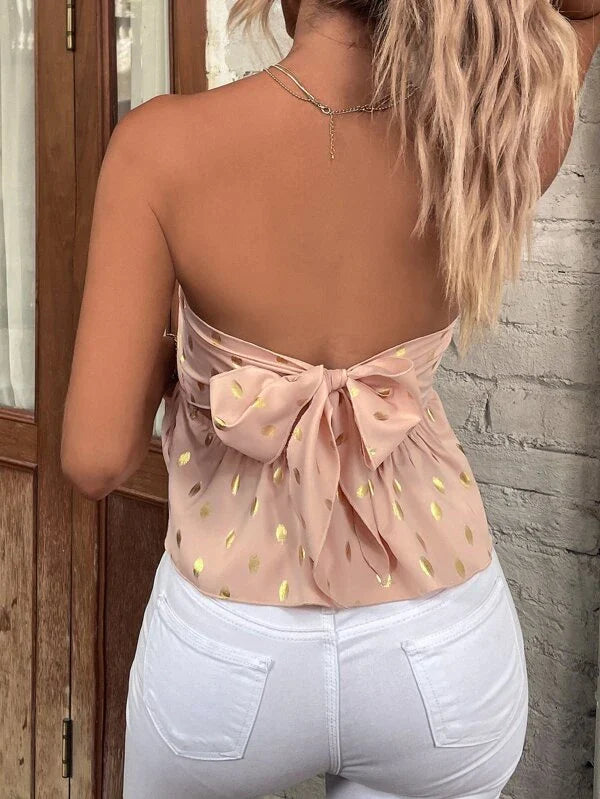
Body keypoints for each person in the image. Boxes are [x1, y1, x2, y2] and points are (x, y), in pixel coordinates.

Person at [60, 1, 600, 797]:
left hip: (227, 652)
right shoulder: (493, 139)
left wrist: (185, 362)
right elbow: (582, 16)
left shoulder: (159, 147)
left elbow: (95, 459)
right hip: (440, 651)